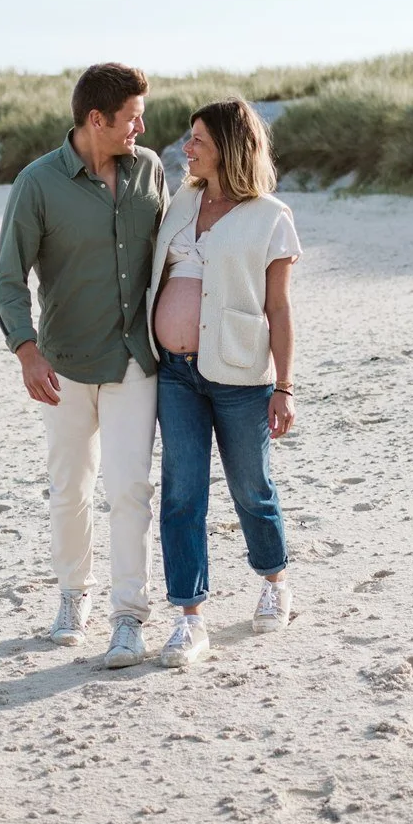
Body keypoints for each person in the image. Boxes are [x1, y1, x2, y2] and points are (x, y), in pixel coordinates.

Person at [0, 63, 167, 669]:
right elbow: (9, 277)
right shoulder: (37, 183)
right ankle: (73, 595)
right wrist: (26, 350)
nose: (141, 127)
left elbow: (171, 255)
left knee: (131, 488)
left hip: (135, 358)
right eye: (132, 117)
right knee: (70, 488)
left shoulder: (150, 169)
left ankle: (129, 617)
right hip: (64, 363)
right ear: (97, 119)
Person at [147, 98, 301, 667]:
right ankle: (189, 619)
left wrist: (284, 386)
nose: (186, 148)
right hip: (174, 374)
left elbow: (278, 309)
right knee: (181, 494)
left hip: (240, 375)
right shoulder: (182, 201)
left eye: (199, 140)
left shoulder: (271, 216)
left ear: (230, 148)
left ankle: (274, 582)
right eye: (188, 138)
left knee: (251, 489)